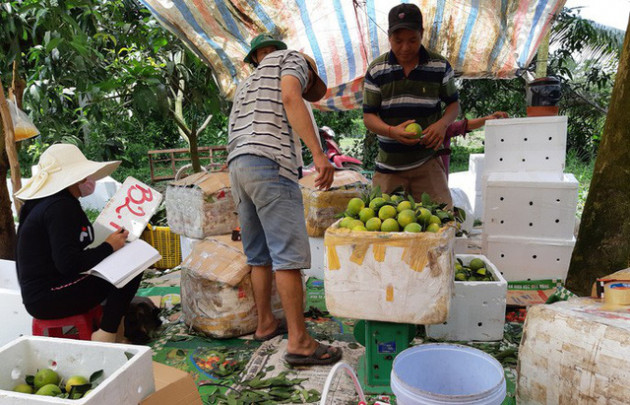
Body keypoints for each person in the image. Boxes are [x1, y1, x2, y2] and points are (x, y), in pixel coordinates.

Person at [228, 46, 341, 366]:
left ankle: (264, 324)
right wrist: (319, 155)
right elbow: (292, 97)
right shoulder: (293, 59)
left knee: (258, 255)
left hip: (238, 167)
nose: (307, 86)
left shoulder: (248, 83)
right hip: (270, 164)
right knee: (288, 257)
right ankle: (300, 341)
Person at [14, 144, 138, 343]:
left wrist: (108, 245)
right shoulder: (60, 207)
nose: (88, 179)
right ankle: (106, 333)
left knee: (122, 262)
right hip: (49, 296)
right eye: (85, 175)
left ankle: (112, 327)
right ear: (77, 177)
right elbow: (69, 264)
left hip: (41, 296)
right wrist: (108, 246)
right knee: (131, 265)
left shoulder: (48, 203)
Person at [363, 3, 460, 206]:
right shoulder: (376, 70)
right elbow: (369, 117)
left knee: (443, 223)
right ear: (389, 36)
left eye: (412, 40)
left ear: (421, 34)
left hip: (427, 163)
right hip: (388, 167)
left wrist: (442, 124)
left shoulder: (440, 66)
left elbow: (453, 105)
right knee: (381, 231)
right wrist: (391, 131)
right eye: (398, 41)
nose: (405, 48)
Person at [443, 111, 509, 175]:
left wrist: (489, 118)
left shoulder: (442, 128)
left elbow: (461, 126)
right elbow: (461, 126)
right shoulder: (440, 130)